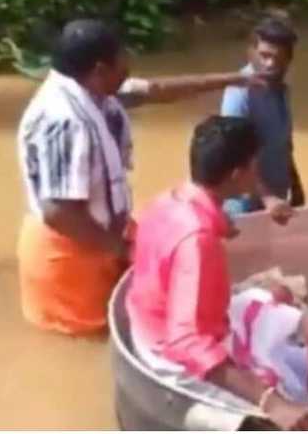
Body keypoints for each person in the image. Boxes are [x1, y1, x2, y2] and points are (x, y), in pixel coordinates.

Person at [15, 19, 262, 336]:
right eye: (123, 60)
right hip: (68, 252)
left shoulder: (95, 91)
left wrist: (237, 79)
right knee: (99, 339)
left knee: (136, 316)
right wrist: (120, 249)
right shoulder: (64, 121)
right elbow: (59, 212)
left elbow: (155, 91)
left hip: (103, 233)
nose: (129, 67)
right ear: (100, 70)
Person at [126, 116, 308, 430]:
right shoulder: (197, 240)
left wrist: (216, 221)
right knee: (293, 400)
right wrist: (271, 401)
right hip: (171, 355)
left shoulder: (166, 201)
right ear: (236, 174)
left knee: (276, 295)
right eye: (253, 167)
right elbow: (187, 341)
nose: (257, 174)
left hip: (150, 324)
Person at [221, 17, 304, 223]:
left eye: (279, 58)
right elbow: (234, 151)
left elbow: (284, 143)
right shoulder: (239, 92)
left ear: (289, 59)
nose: (271, 64)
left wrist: (295, 183)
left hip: (277, 196)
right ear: (251, 52)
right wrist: (267, 197)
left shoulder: (281, 90)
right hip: (244, 202)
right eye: (265, 56)